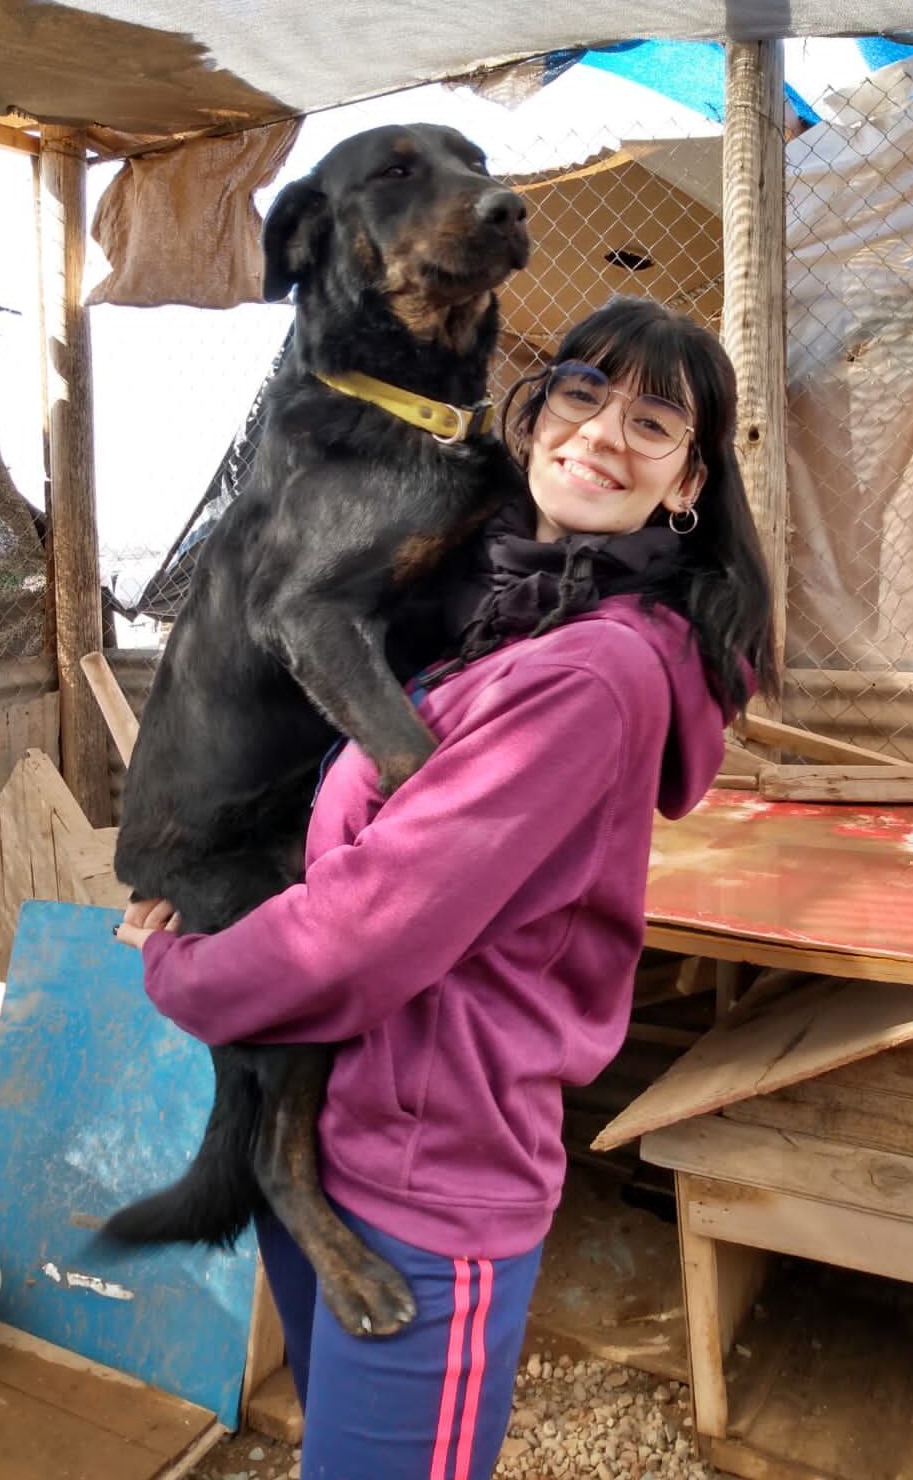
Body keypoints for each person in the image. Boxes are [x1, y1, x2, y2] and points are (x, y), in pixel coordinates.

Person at [116, 296, 777, 1480]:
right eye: (583, 391)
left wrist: (181, 969)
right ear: (535, 419)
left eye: (654, 419)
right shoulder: (494, 616)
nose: (602, 432)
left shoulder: (596, 671)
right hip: (326, 1133)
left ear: (688, 484)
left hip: (427, 1182)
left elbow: (373, 926)